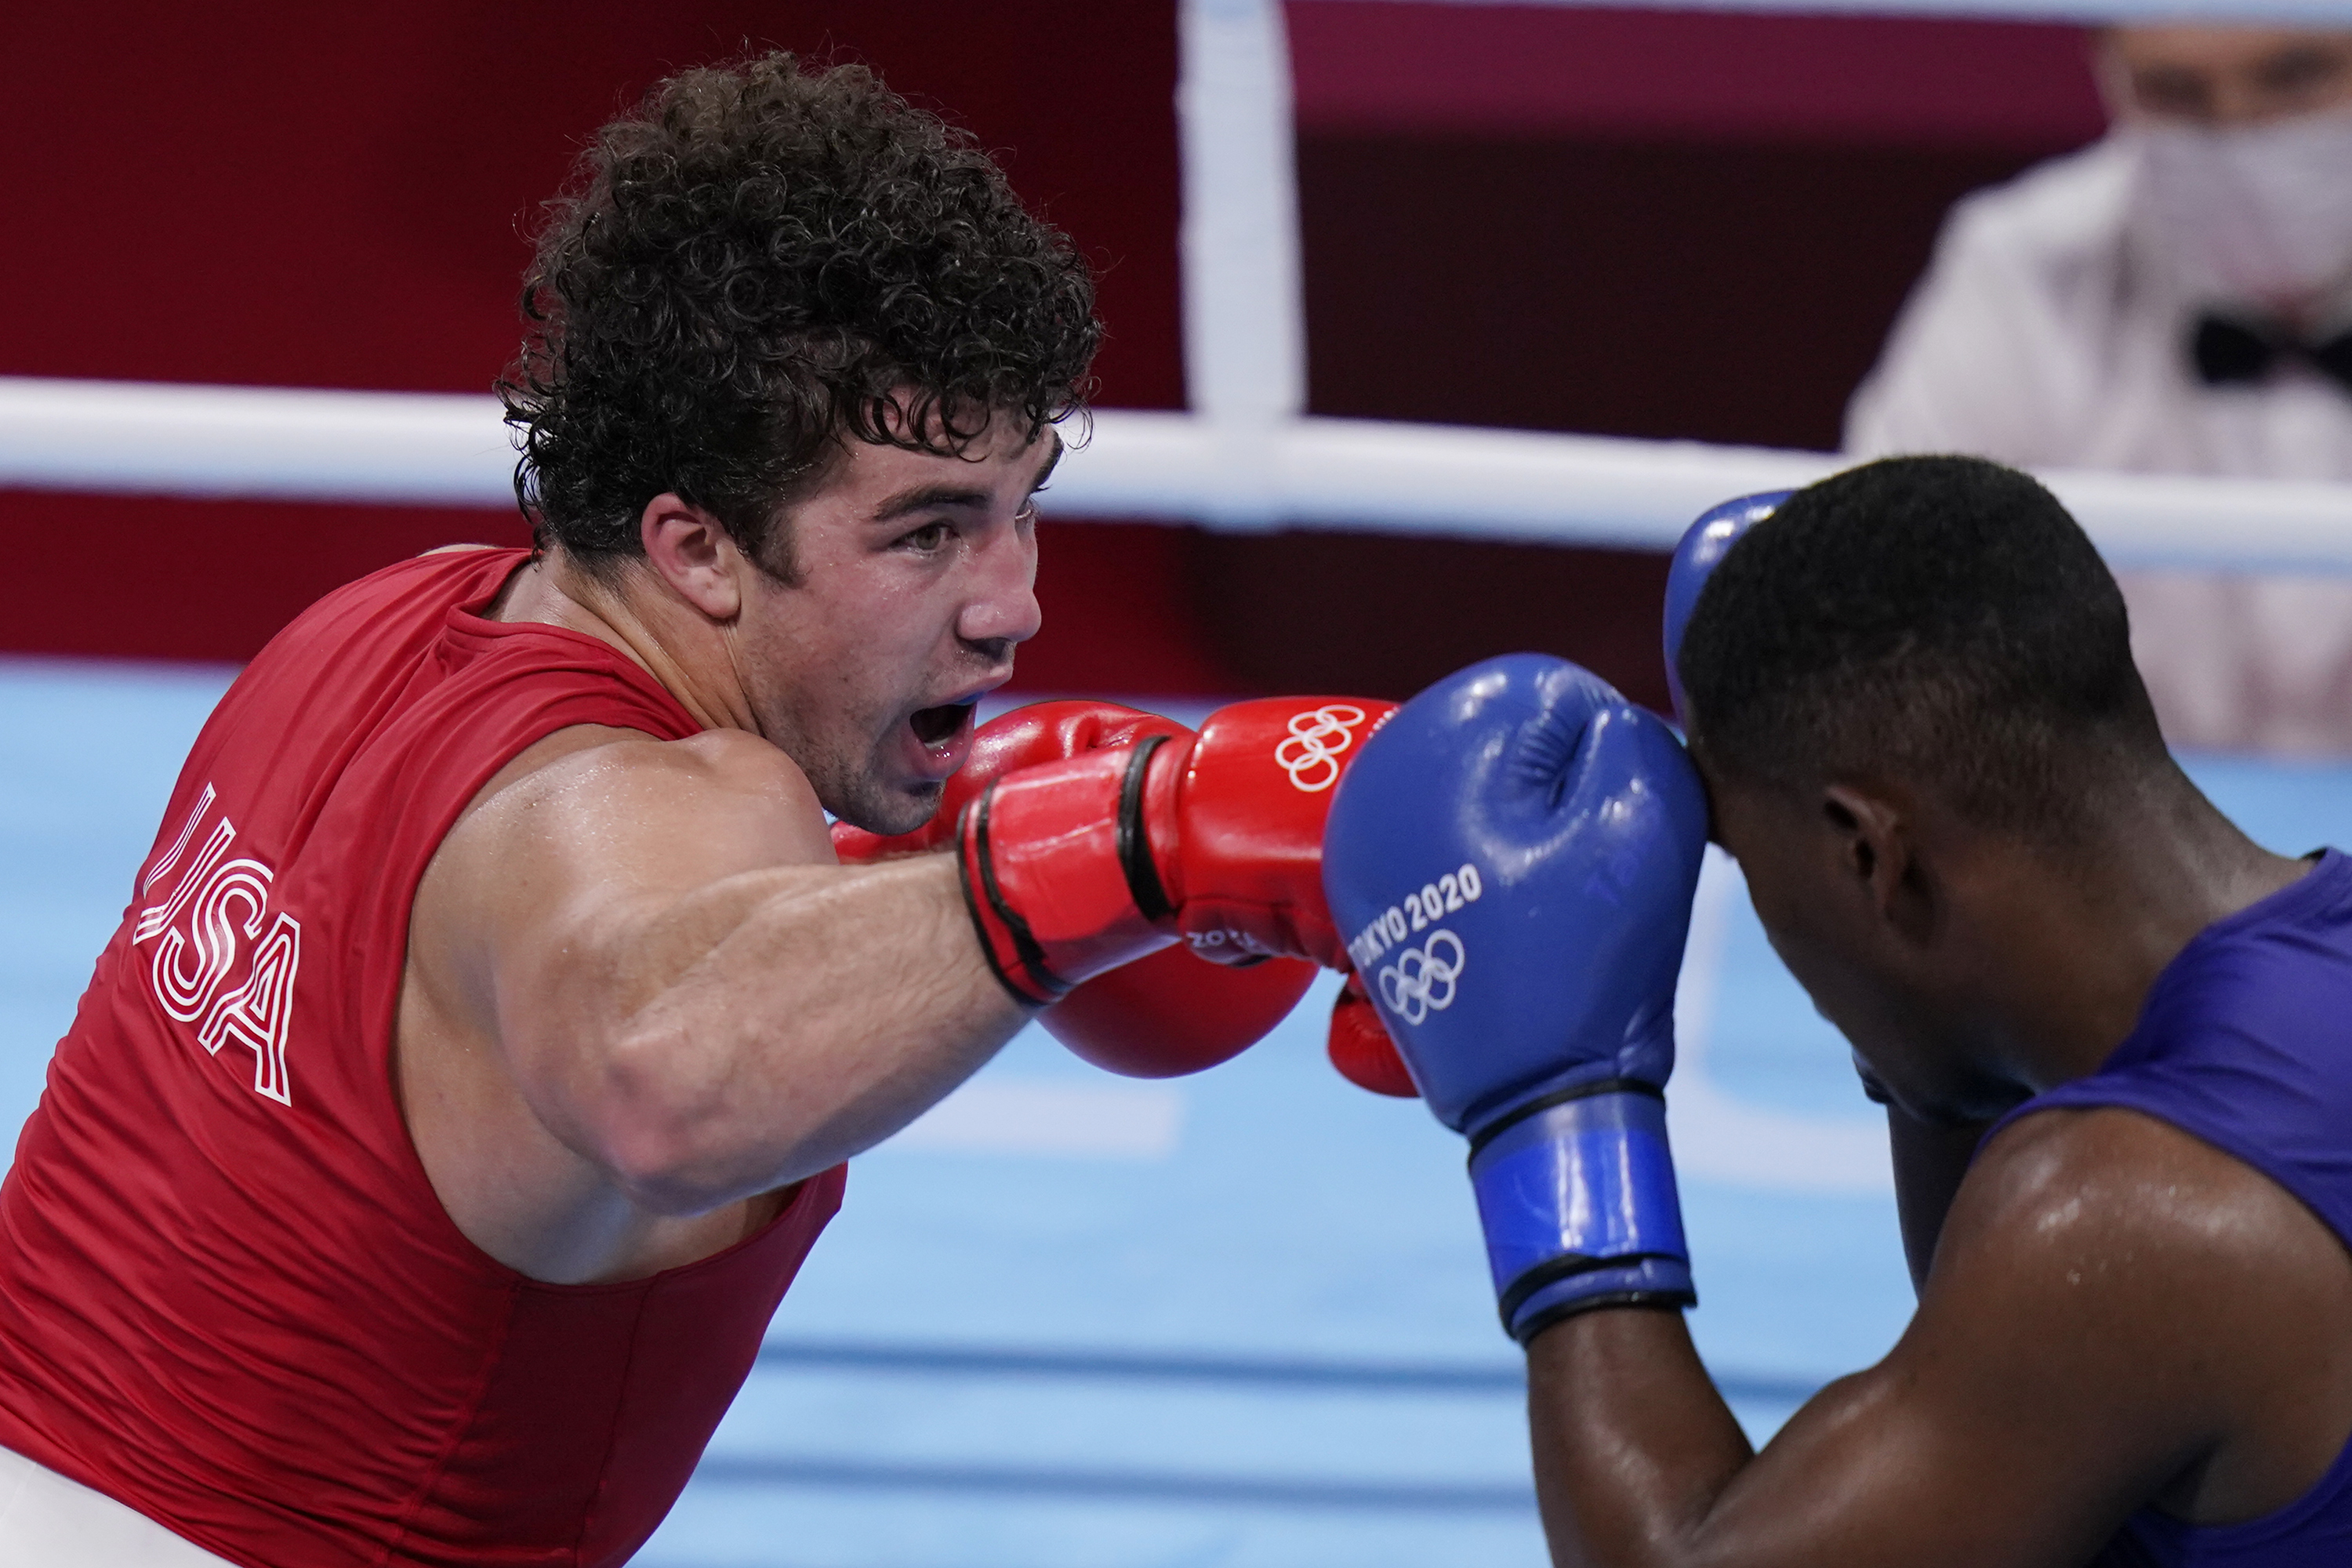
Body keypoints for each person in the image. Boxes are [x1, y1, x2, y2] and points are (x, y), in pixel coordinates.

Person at [0, 54, 1380, 1566]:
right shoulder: (657, 804)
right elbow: (656, 1067)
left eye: (1022, 503)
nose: (1016, 607)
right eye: (927, 533)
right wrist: (1140, 842)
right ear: (699, 549)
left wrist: (923, 874)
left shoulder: (376, 625)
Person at [1324, 455, 2352, 1565]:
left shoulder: (2129, 1218)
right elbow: (2020, 1417)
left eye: (1750, 864)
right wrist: (1908, 1020)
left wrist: (1550, 1116)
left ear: (1869, 852)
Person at [1845, 27, 2352, 753]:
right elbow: (1879, 618)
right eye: (2176, 93)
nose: (2240, 134)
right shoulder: (2019, 266)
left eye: (2296, 75)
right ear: (2111, 76)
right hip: (2110, 847)